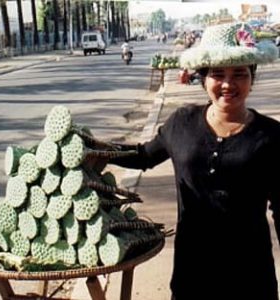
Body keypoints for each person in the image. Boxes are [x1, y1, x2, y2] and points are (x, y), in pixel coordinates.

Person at [110, 22, 280, 300]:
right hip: (192, 272)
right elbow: (143, 156)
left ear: (252, 77)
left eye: (240, 73)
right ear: (203, 78)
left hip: (251, 275)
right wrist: (94, 150)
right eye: (217, 74)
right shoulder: (182, 122)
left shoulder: (272, 136)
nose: (228, 83)